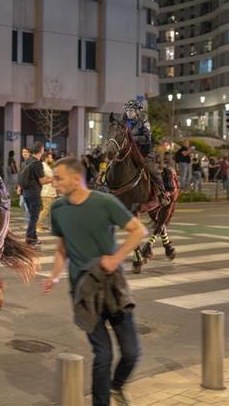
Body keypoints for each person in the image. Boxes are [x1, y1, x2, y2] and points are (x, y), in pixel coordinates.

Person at [43, 156, 145, 406]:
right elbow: (62, 248)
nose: (53, 183)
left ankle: (117, 386)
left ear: (77, 179)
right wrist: (54, 275)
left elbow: (138, 231)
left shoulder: (105, 202)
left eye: (58, 178)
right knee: (103, 354)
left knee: (131, 352)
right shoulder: (58, 209)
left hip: (112, 285)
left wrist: (116, 257)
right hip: (82, 290)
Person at [123, 100, 169, 206]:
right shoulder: (125, 123)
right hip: (130, 153)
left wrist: (132, 138)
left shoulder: (144, 122)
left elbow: (147, 139)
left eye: (131, 110)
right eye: (127, 111)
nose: (129, 113)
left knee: (153, 171)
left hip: (145, 153)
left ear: (137, 112)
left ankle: (162, 194)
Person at [21, 142, 52, 246]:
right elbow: (42, 180)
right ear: (41, 150)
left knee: (32, 216)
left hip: (25, 193)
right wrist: (53, 179)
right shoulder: (37, 163)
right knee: (34, 217)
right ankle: (30, 238)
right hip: (34, 193)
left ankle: (33, 237)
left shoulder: (26, 161)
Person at [37, 152, 57, 233]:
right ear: (46, 158)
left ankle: (51, 226)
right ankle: (37, 225)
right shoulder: (42, 166)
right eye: (50, 157)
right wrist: (52, 178)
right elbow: (43, 178)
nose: (52, 159)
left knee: (52, 210)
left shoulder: (49, 166)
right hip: (46, 192)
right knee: (46, 210)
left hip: (51, 191)